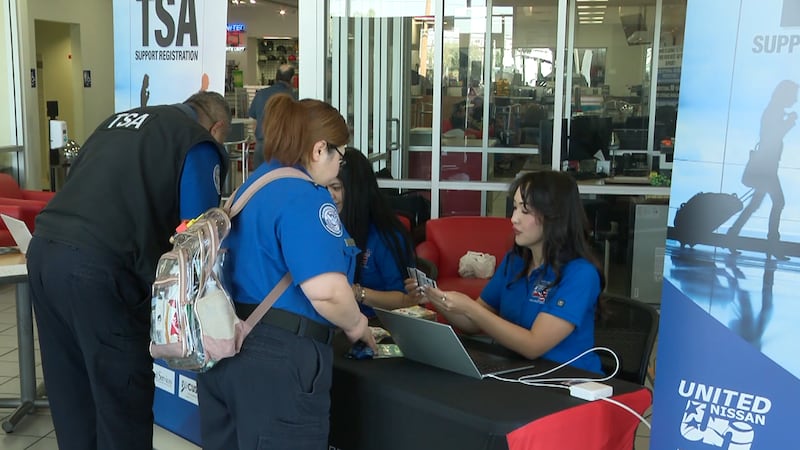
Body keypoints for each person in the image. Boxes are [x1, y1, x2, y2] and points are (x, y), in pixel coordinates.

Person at [26, 91, 231, 450]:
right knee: (121, 403)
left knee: (72, 397)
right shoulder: (194, 141)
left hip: (44, 251)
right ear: (216, 128)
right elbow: (197, 234)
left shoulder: (118, 122)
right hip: (100, 269)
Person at [198, 94, 376, 450]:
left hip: (225, 350)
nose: (340, 165)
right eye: (340, 154)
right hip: (278, 364)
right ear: (319, 149)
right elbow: (327, 291)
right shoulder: (306, 196)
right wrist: (358, 327)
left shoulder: (253, 185)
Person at [407, 171, 603, 373]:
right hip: (516, 373)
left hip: (567, 381)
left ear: (555, 216)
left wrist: (470, 307)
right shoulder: (515, 261)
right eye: (515, 208)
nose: (514, 219)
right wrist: (436, 300)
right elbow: (472, 325)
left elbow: (533, 345)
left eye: (525, 211)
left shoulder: (581, 274)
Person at [327, 148, 416, 316]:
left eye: (336, 187)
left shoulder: (385, 236)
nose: (329, 196)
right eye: (324, 188)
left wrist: (357, 293)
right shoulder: (328, 226)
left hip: (377, 324)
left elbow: (405, 300)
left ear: (356, 190)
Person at [727, 79, 798, 260]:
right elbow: (774, 135)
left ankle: (733, 235)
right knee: (779, 202)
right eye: (794, 95)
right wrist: (789, 122)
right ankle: (772, 244)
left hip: (766, 166)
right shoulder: (774, 111)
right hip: (767, 168)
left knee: (755, 204)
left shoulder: (774, 110)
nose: (795, 99)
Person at [248, 64, 297, 168]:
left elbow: (254, 123)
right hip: (283, 149)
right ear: (293, 79)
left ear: (276, 77)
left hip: (261, 147)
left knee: (260, 182)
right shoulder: (293, 97)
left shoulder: (260, 94)